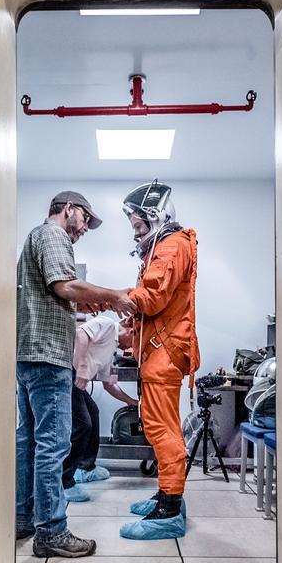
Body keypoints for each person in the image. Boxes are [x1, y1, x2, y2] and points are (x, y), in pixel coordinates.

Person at [16, 191, 134, 557]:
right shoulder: (53, 235)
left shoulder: (35, 238)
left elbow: (58, 294)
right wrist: (114, 295)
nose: (84, 229)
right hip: (49, 356)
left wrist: (85, 300)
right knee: (54, 444)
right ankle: (51, 532)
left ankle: (24, 518)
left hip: (28, 354)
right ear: (68, 209)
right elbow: (64, 286)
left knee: (31, 442)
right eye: (84, 219)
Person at [117, 181, 200, 541]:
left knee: (163, 430)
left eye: (138, 226)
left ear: (156, 217)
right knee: (157, 427)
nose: (136, 235)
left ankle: (169, 508)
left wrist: (113, 298)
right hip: (158, 352)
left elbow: (151, 297)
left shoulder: (172, 247)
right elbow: (153, 306)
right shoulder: (165, 248)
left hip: (164, 354)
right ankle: (166, 493)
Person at [64, 315, 140, 499]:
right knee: (83, 425)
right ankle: (64, 482)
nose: (131, 348)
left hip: (76, 380)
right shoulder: (107, 325)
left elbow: (108, 385)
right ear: (129, 329)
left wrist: (132, 402)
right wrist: (82, 368)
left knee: (93, 414)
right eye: (133, 341)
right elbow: (81, 334)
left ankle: (86, 468)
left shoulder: (111, 351)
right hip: (69, 373)